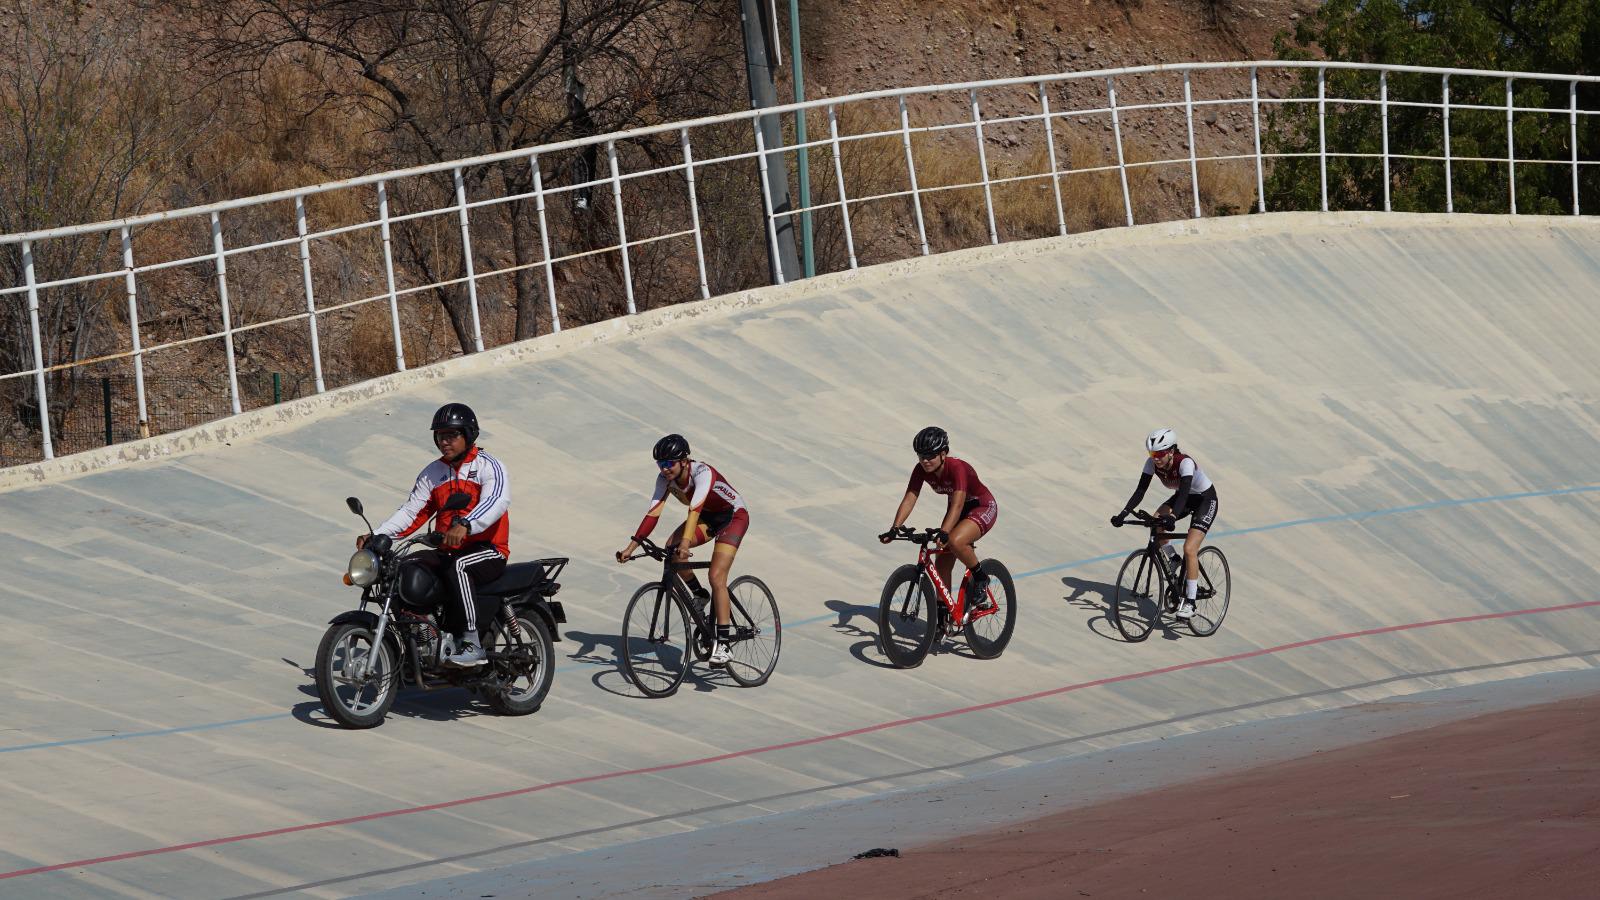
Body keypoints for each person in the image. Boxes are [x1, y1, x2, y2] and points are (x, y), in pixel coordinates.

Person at [359, 403, 510, 667]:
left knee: (459, 566)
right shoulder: (433, 473)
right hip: (447, 550)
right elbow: (411, 511)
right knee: (401, 568)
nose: (444, 441)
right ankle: (420, 640)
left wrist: (467, 524)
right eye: (440, 435)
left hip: (488, 548)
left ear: (468, 434)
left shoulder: (489, 466)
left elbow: (497, 501)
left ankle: (471, 642)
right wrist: (377, 535)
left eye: (451, 434)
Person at [616, 434, 750, 667]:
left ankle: (725, 644)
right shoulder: (664, 480)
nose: (664, 469)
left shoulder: (703, 473)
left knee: (716, 576)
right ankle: (699, 594)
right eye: (660, 464)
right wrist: (631, 547)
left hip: (732, 517)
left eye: (669, 463)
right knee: (671, 548)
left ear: (684, 461)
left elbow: (694, 510)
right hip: (708, 518)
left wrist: (686, 543)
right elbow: (652, 514)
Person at [879, 426, 998, 608]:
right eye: (921, 456)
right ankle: (943, 619)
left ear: (944, 454)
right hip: (957, 509)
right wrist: (894, 528)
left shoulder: (957, 467)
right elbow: (910, 498)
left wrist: (944, 532)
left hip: (981, 506)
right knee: (941, 560)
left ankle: (981, 578)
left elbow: (958, 504)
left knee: (955, 541)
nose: (925, 461)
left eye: (930, 456)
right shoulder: (920, 470)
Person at [1110, 427, 1219, 619]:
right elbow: (1140, 491)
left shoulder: (1184, 463)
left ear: (1170, 451)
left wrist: (1173, 517)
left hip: (1204, 499)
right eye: (1152, 453)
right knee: (1156, 522)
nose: (1155, 458)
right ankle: (1173, 559)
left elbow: (1184, 492)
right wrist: (1123, 513)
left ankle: (1190, 603)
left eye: (1159, 454)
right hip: (1182, 498)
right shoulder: (1151, 464)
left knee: (1190, 549)